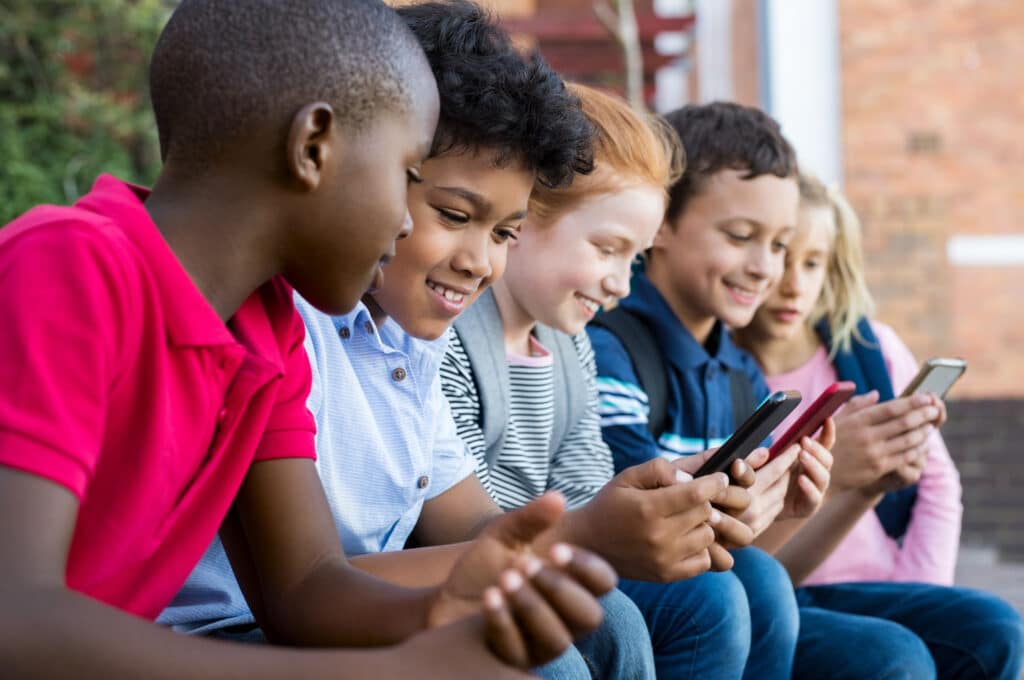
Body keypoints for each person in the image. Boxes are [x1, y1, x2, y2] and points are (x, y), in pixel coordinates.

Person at [0, 1, 612, 676]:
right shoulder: (69, 265)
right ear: (313, 147)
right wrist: (392, 670)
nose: (403, 222)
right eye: (407, 176)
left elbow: (304, 592)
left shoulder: (267, 331)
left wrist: (443, 611)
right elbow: (18, 619)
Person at [162, 3, 647, 678]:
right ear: (322, 154)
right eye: (447, 211)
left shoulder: (392, 337)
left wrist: (597, 527)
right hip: (220, 633)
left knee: (603, 620)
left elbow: (455, 530)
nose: (479, 262)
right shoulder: (257, 318)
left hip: (323, 615)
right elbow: (304, 590)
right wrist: (577, 540)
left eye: (504, 234)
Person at [439, 84, 804, 680]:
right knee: (646, 615)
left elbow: (585, 486)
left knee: (745, 581)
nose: (621, 284)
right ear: (524, 215)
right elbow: (456, 516)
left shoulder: (571, 345)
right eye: (606, 249)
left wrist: (665, 491)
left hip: (554, 550)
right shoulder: (453, 336)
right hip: (471, 562)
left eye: (631, 259)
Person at [733, 170, 1024, 679]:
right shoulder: (725, 374)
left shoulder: (870, 351)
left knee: (998, 628)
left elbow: (936, 484)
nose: (794, 285)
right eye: (783, 257)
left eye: (813, 263)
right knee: (892, 655)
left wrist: (921, 591)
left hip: (885, 585)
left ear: (833, 267)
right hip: (784, 590)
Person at [587, 101, 834, 680]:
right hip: (626, 580)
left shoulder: (741, 372)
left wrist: (786, 509)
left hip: (714, 589)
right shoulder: (607, 344)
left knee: (896, 650)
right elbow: (652, 525)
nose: (766, 268)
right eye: (741, 236)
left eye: (779, 244)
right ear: (661, 223)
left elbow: (741, 557)